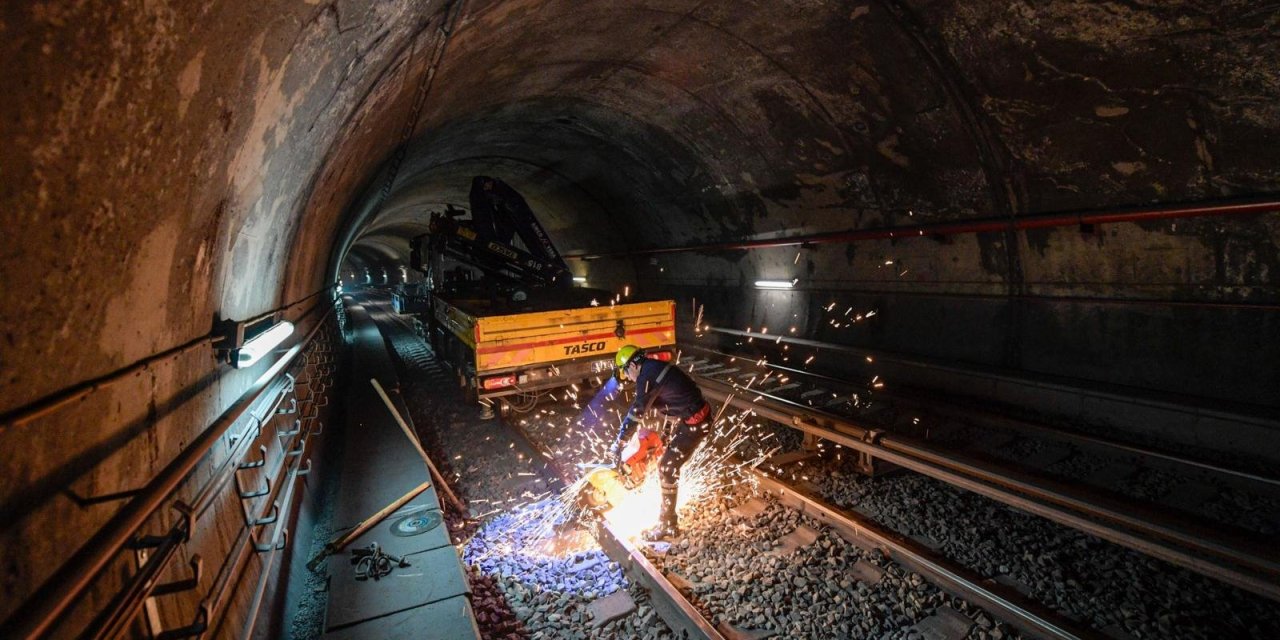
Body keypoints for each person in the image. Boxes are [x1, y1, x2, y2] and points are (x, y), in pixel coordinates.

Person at [610, 345, 713, 540]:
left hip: (696, 423)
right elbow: (671, 402)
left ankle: (668, 524)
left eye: (626, 373)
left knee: (667, 467)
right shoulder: (653, 367)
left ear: (632, 364)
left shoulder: (646, 376)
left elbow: (636, 412)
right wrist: (665, 435)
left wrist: (620, 442)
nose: (629, 379)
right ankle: (667, 518)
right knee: (665, 459)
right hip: (692, 418)